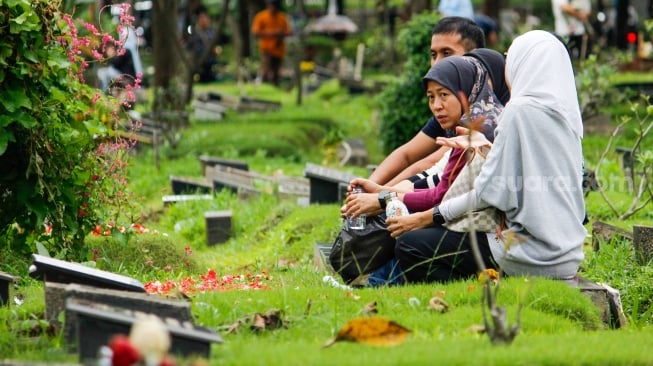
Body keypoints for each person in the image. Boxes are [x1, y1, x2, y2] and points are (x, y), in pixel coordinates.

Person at [393, 30, 587, 283]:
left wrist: (427, 217)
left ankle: (480, 291)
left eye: (512, 59)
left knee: (410, 245)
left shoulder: (519, 111)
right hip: (568, 256)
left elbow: (488, 192)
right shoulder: (568, 117)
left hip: (529, 254)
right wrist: (486, 148)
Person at [344, 56, 504, 286]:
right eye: (431, 98)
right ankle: (376, 283)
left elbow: (441, 196)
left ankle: (380, 284)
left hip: (486, 236)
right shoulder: (471, 126)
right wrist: (380, 191)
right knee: (399, 217)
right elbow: (432, 176)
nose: (436, 106)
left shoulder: (479, 132)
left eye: (444, 95)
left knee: (409, 239)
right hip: (468, 224)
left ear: (466, 90)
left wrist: (382, 198)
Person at [366, 16, 486, 187]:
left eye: (446, 53)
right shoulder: (450, 103)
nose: (436, 63)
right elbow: (406, 154)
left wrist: (377, 195)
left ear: (473, 56)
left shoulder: (482, 109)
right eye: (433, 54)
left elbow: (431, 165)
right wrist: (367, 185)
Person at [251, 0, 292, 86]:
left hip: (279, 49)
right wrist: (273, 33)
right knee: (266, 70)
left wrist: (281, 34)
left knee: (276, 72)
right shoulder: (261, 16)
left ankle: (275, 87)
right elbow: (255, 32)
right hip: (267, 49)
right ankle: (264, 86)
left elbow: (289, 32)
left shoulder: (282, 17)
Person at [186, 6, 219, 82]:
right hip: (199, 60)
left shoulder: (212, 32)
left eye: (205, 18)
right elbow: (189, 46)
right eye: (201, 18)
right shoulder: (195, 33)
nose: (203, 20)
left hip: (211, 60)